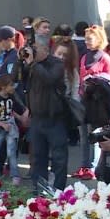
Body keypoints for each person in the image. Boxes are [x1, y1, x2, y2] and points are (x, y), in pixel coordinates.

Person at [74, 25, 110, 181]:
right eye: (86, 38)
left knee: (96, 136)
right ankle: (84, 165)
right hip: (85, 101)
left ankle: (94, 167)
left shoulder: (106, 59)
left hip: (100, 105)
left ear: (99, 39)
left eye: (90, 38)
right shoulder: (84, 57)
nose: (87, 41)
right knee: (83, 135)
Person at [24, 36, 69, 192]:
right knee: (37, 157)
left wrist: (33, 64)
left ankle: (58, 190)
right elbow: (19, 78)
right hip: (37, 118)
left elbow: (49, 79)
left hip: (54, 118)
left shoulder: (56, 64)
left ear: (45, 50)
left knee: (59, 158)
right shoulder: (32, 65)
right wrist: (21, 60)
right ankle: (39, 189)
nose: (33, 53)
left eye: (36, 49)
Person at [0, 75, 26, 184]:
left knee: (11, 152)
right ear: (3, 87)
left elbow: (10, 111)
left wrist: (20, 118)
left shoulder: (11, 96)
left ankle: (15, 175)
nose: (13, 87)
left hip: (10, 125)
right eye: (11, 85)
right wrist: (1, 124)